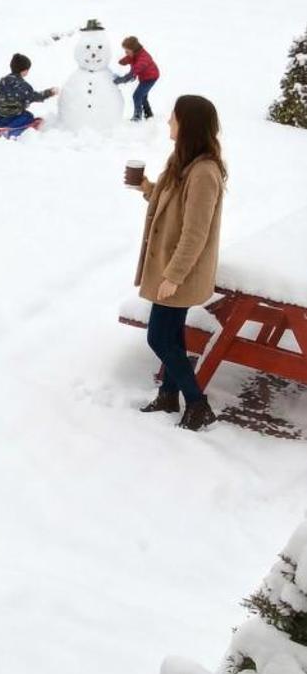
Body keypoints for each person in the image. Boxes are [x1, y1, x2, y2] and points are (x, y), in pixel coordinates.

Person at [126, 94, 226, 431]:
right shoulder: (183, 160)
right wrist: (146, 187)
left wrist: (174, 276)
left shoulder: (204, 172)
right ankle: (169, 395)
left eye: (174, 117)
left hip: (178, 271)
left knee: (158, 337)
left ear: (189, 125)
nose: (169, 121)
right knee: (173, 336)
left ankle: (197, 403)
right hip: (171, 268)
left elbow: (195, 233)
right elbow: (173, 200)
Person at [0, 53, 58, 137]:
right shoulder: (22, 85)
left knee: (3, 119)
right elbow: (33, 96)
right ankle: (9, 129)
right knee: (27, 116)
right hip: (14, 114)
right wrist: (49, 92)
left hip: (2, 113)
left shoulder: (4, 80)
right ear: (24, 70)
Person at [114, 35, 159, 121]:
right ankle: (149, 114)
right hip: (144, 77)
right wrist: (122, 61)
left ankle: (137, 116)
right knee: (142, 96)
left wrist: (123, 79)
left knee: (137, 95)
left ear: (133, 49)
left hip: (150, 78)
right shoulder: (134, 54)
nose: (126, 53)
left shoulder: (143, 58)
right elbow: (129, 59)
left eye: (127, 51)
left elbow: (135, 70)